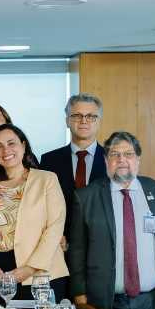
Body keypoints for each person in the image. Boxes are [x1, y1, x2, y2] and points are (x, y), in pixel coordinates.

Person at [68, 131, 155, 309]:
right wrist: (79, 295)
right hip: (105, 302)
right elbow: (77, 250)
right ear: (106, 161)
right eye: (115, 154)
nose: (122, 159)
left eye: (129, 154)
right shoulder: (86, 197)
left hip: (151, 302)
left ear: (138, 159)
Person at [0, 124, 68, 303]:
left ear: (23, 145)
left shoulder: (47, 179)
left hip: (40, 274)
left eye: (11, 143)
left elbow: (55, 227)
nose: (5, 150)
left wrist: (29, 269)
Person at [39, 93, 107, 249]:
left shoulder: (113, 160)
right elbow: (40, 206)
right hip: (59, 246)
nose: (84, 120)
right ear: (67, 121)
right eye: (77, 115)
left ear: (99, 122)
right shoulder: (49, 161)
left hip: (102, 247)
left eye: (91, 116)